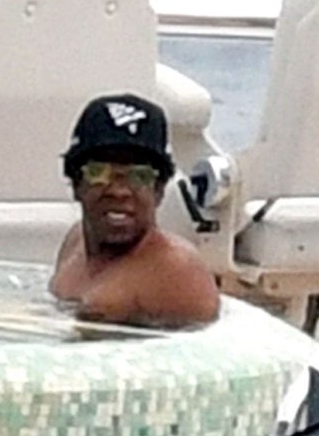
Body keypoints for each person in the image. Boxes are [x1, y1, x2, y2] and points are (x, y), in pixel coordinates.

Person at [49, 92, 221, 327]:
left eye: (139, 176)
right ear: (76, 184)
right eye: (99, 172)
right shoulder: (76, 241)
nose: (119, 191)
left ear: (159, 191)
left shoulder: (177, 272)